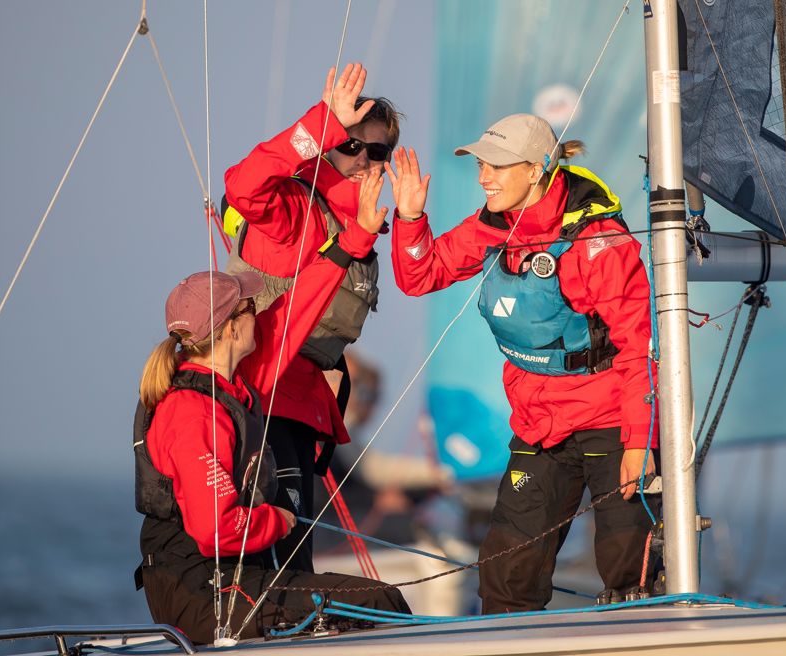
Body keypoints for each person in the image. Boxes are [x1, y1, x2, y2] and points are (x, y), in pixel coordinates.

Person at [386, 114, 660, 613]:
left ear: (536, 170)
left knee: (629, 564)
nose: (483, 176)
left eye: (496, 165)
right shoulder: (493, 227)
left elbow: (638, 344)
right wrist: (408, 218)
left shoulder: (597, 241)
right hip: (539, 424)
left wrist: (642, 442)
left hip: (611, 421)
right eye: (480, 165)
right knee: (507, 571)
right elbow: (420, 275)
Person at [133, 172, 409, 644]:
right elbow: (217, 531)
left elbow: (300, 303)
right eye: (249, 306)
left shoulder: (233, 383)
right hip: (204, 596)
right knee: (381, 603)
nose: (259, 309)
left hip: (229, 586)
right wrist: (278, 520)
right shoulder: (191, 410)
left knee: (376, 600)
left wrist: (356, 238)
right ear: (232, 327)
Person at [222, 63, 402, 572]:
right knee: (272, 563)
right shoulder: (294, 207)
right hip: (261, 402)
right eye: (351, 145)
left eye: (378, 151)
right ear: (329, 145)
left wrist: (411, 218)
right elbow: (243, 186)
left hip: (303, 409)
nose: (365, 159)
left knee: (296, 560)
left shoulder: (362, 223)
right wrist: (325, 121)